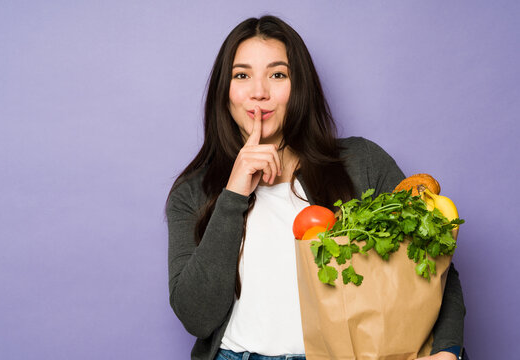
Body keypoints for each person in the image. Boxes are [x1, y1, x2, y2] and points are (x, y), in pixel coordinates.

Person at [166, 15, 466, 360]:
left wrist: (447, 350)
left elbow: (433, 262)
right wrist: (233, 194)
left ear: (300, 86)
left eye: (278, 74)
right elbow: (196, 316)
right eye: (242, 75)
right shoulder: (192, 193)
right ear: (225, 91)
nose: (259, 91)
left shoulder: (361, 163)